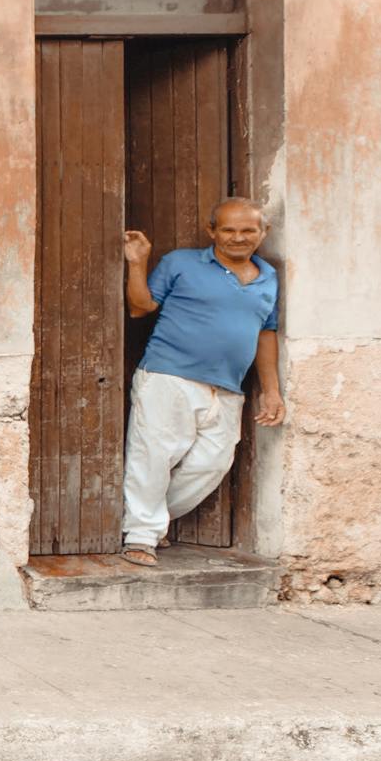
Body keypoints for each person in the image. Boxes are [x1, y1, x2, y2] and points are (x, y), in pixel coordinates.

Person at [120, 197, 286, 566]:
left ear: (263, 232)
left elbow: (266, 333)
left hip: (228, 386)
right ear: (212, 231)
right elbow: (140, 306)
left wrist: (271, 390)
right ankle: (141, 535)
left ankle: (147, 519)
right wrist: (137, 263)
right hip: (168, 375)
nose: (238, 238)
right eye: (228, 229)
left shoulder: (268, 278)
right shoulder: (180, 262)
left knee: (212, 463)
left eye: (248, 230)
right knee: (154, 456)